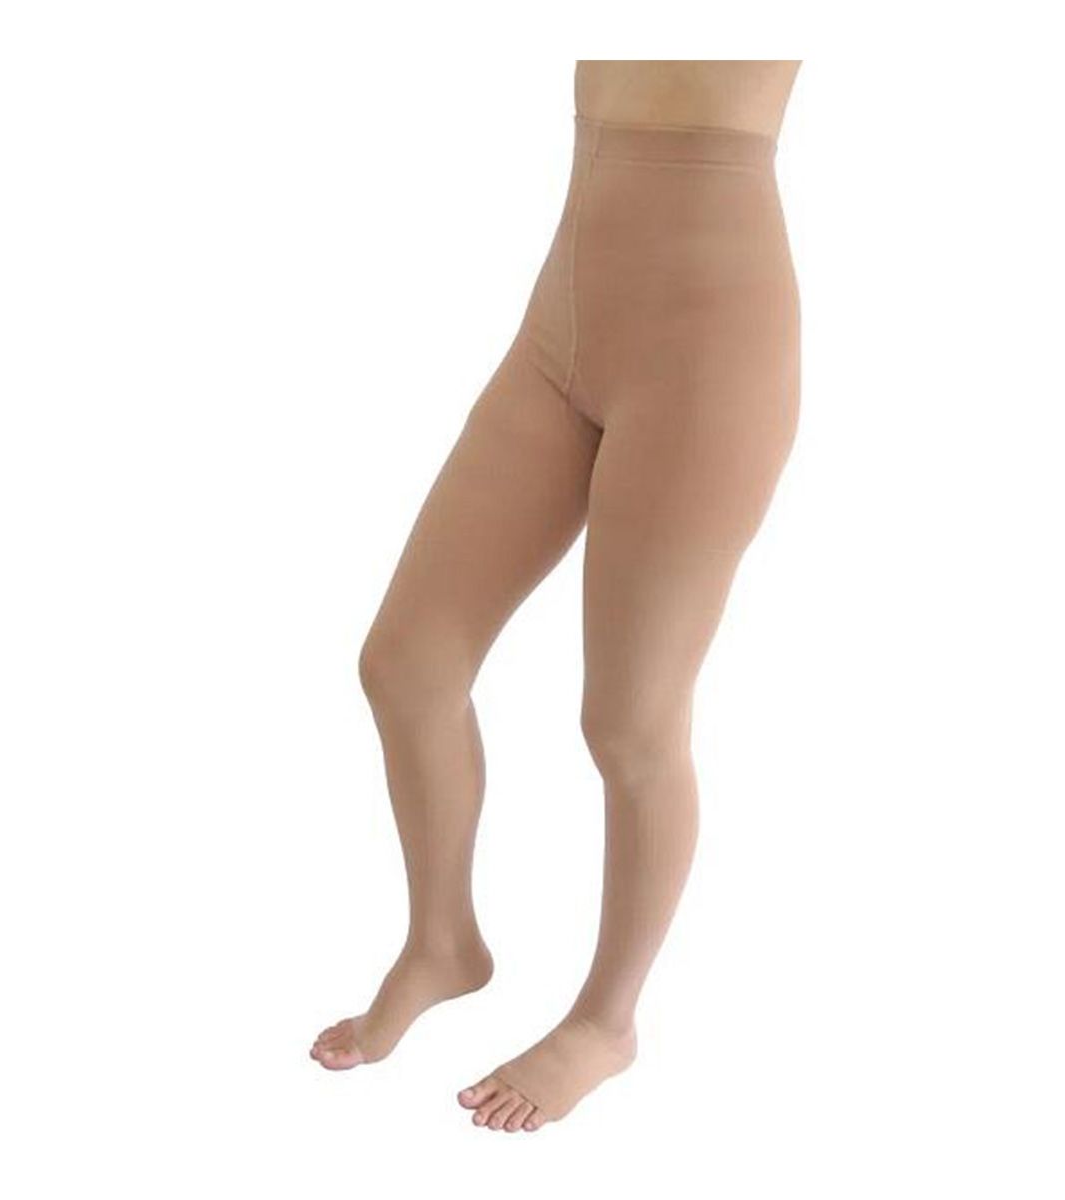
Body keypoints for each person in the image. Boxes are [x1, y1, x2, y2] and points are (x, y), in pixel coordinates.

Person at [310, 59, 803, 1132]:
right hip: (560, 325)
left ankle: (605, 1022)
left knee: (631, 724)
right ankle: (443, 942)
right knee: (406, 666)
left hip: (708, 349)